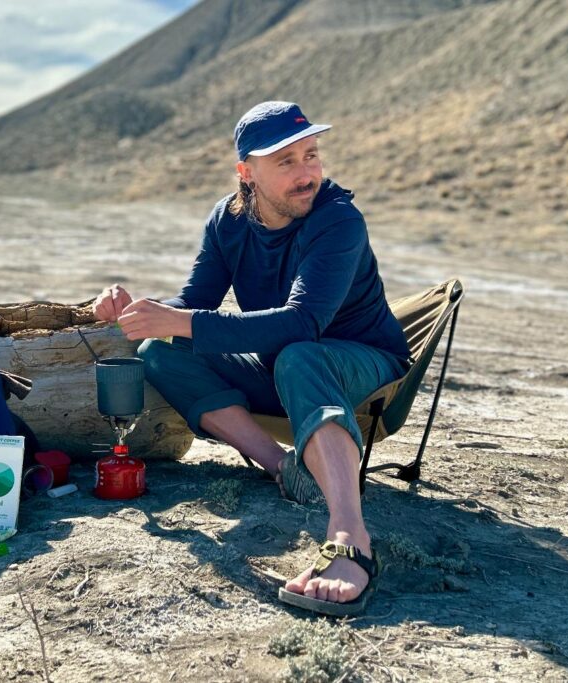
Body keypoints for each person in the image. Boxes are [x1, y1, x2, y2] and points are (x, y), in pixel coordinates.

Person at [91, 101, 411, 616]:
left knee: (299, 354)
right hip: (283, 368)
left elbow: (304, 322)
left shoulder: (339, 221)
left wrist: (184, 322)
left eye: (311, 155)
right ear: (247, 172)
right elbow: (197, 302)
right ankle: (284, 469)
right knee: (160, 352)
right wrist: (135, 309)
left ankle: (352, 538)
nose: (306, 173)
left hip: (363, 368)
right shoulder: (228, 220)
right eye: (286, 162)